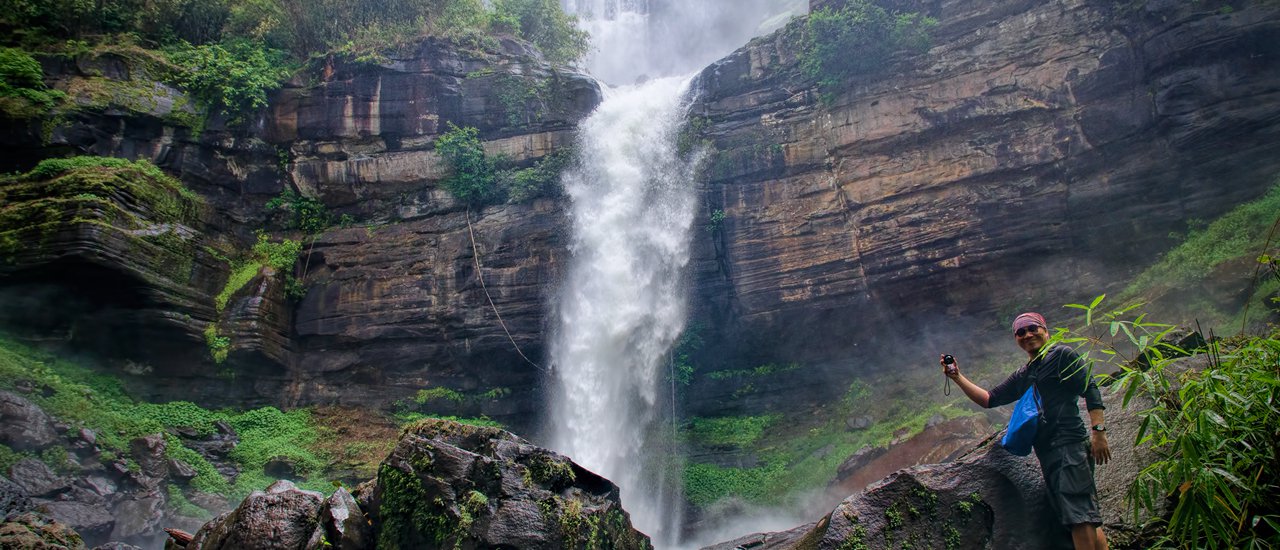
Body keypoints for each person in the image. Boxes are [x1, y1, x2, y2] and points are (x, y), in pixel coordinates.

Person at [944, 312, 1111, 550]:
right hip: (1048, 452)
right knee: (1080, 512)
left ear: (1046, 331)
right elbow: (989, 399)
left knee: (1079, 515)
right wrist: (957, 376)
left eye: (1033, 328)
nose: (1028, 335)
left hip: (1069, 444)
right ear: (1016, 339)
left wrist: (1099, 433)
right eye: (1020, 332)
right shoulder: (1025, 373)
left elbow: (1090, 389)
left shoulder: (1061, 355)